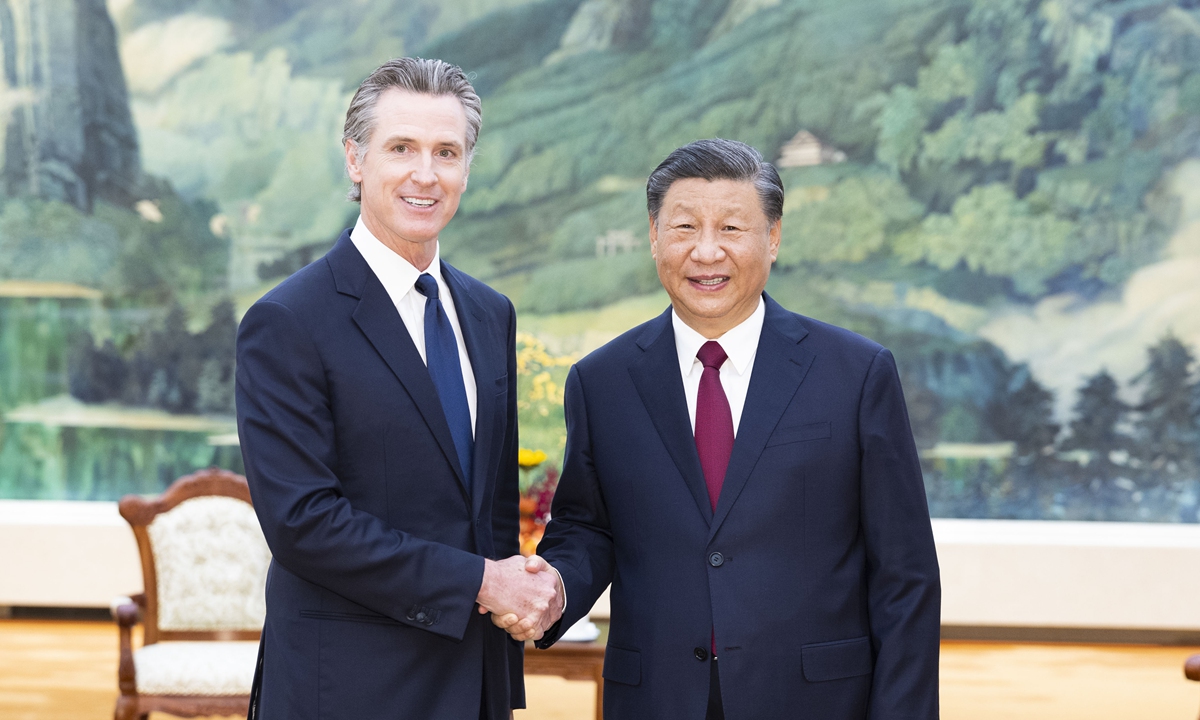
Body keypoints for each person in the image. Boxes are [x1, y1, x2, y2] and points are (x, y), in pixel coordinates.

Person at [504, 138, 941, 719]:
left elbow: (905, 576)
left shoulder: (856, 374)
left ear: (774, 236)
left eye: (732, 229)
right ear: (655, 237)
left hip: (817, 700)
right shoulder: (602, 381)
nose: (706, 252)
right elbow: (589, 528)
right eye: (684, 227)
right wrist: (552, 587)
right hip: (658, 698)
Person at [235, 57, 561, 720]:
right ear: (355, 160)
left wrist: (520, 599)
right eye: (401, 148)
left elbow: (487, 511)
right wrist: (481, 582)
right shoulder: (288, 321)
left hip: (472, 684)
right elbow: (303, 523)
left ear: (467, 169)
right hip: (349, 689)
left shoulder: (489, 312)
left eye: (447, 152)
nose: (425, 174)